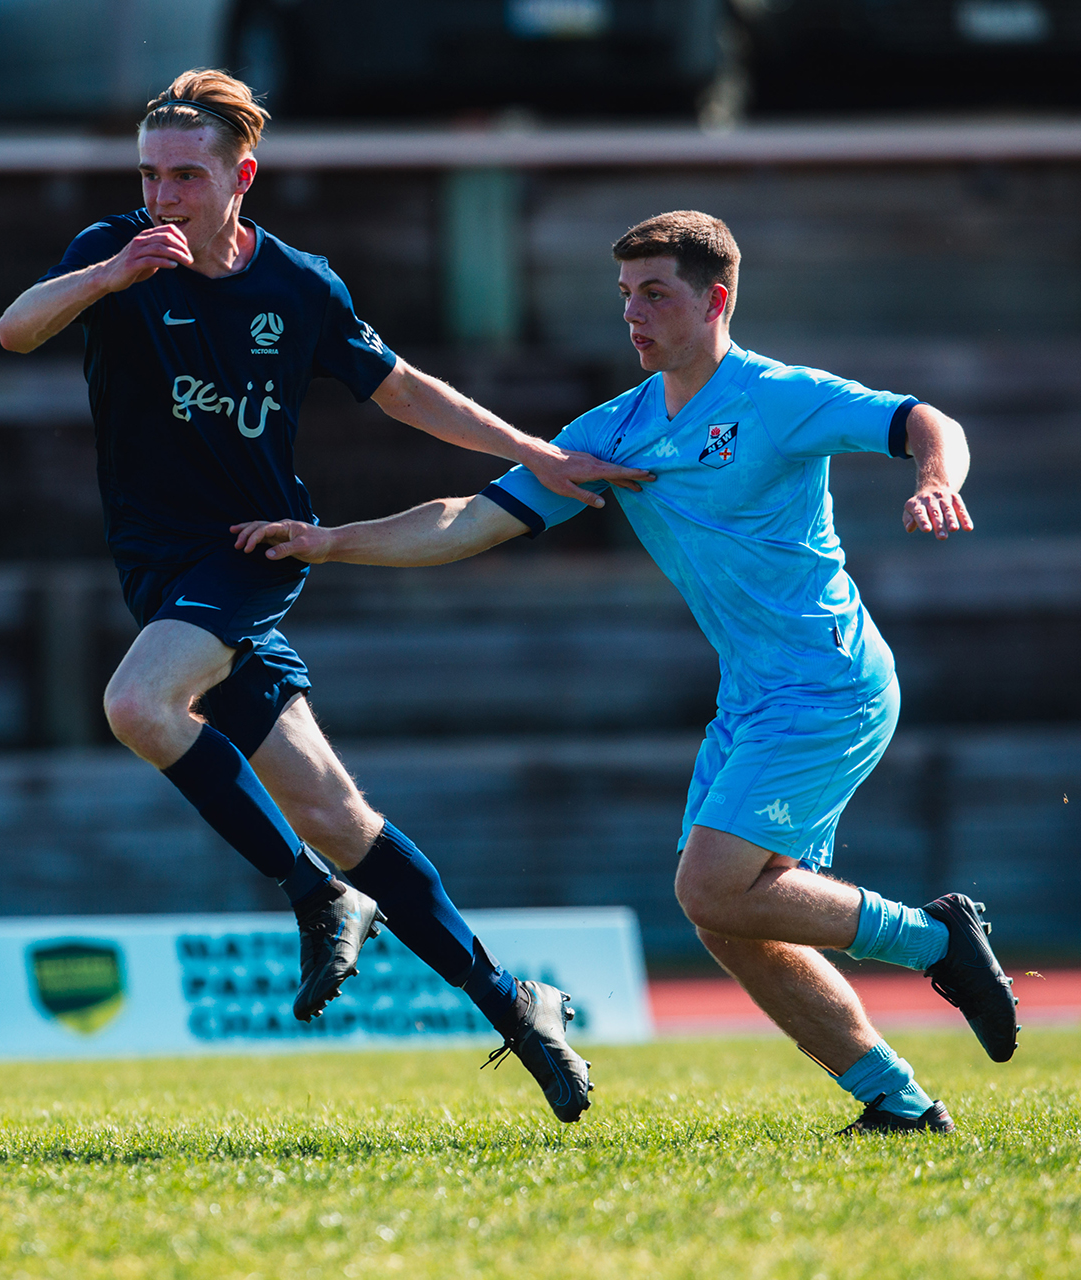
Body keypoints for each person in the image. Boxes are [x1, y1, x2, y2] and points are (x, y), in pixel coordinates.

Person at [235, 210, 1022, 1134]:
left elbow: (925, 420)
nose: (634, 316)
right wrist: (333, 543)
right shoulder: (619, 429)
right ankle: (898, 1104)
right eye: (624, 298)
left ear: (715, 300)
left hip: (829, 683)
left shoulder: (778, 396)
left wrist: (937, 478)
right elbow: (469, 518)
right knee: (731, 920)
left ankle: (937, 939)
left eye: (655, 294)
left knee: (708, 885)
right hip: (751, 696)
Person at [0, 70, 645, 1122]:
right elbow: (17, 329)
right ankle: (514, 997)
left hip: (254, 553)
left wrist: (534, 449)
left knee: (137, 706)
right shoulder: (113, 250)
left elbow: (402, 389)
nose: (166, 197)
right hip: (159, 571)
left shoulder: (297, 285)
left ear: (241, 177)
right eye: (151, 175)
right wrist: (108, 275)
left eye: (188, 177)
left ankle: (312, 892)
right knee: (338, 811)